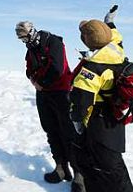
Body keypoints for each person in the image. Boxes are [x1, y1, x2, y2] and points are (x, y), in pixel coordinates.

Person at [70, 6, 133, 192]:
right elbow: (115, 36)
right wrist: (109, 22)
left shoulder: (91, 69)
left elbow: (81, 102)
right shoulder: (116, 51)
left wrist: (77, 122)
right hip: (115, 117)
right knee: (115, 168)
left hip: (98, 125)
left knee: (104, 169)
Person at [15, 21, 84, 191]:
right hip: (44, 94)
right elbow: (28, 68)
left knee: (69, 132)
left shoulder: (53, 42)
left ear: (31, 32)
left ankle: (78, 174)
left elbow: (57, 68)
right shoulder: (31, 47)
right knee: (51, 130)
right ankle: (61, 168)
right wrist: (33, 80)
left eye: (24, 36)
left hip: (61, 92)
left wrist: (41, 83)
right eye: (21, 38)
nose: (24, 41)